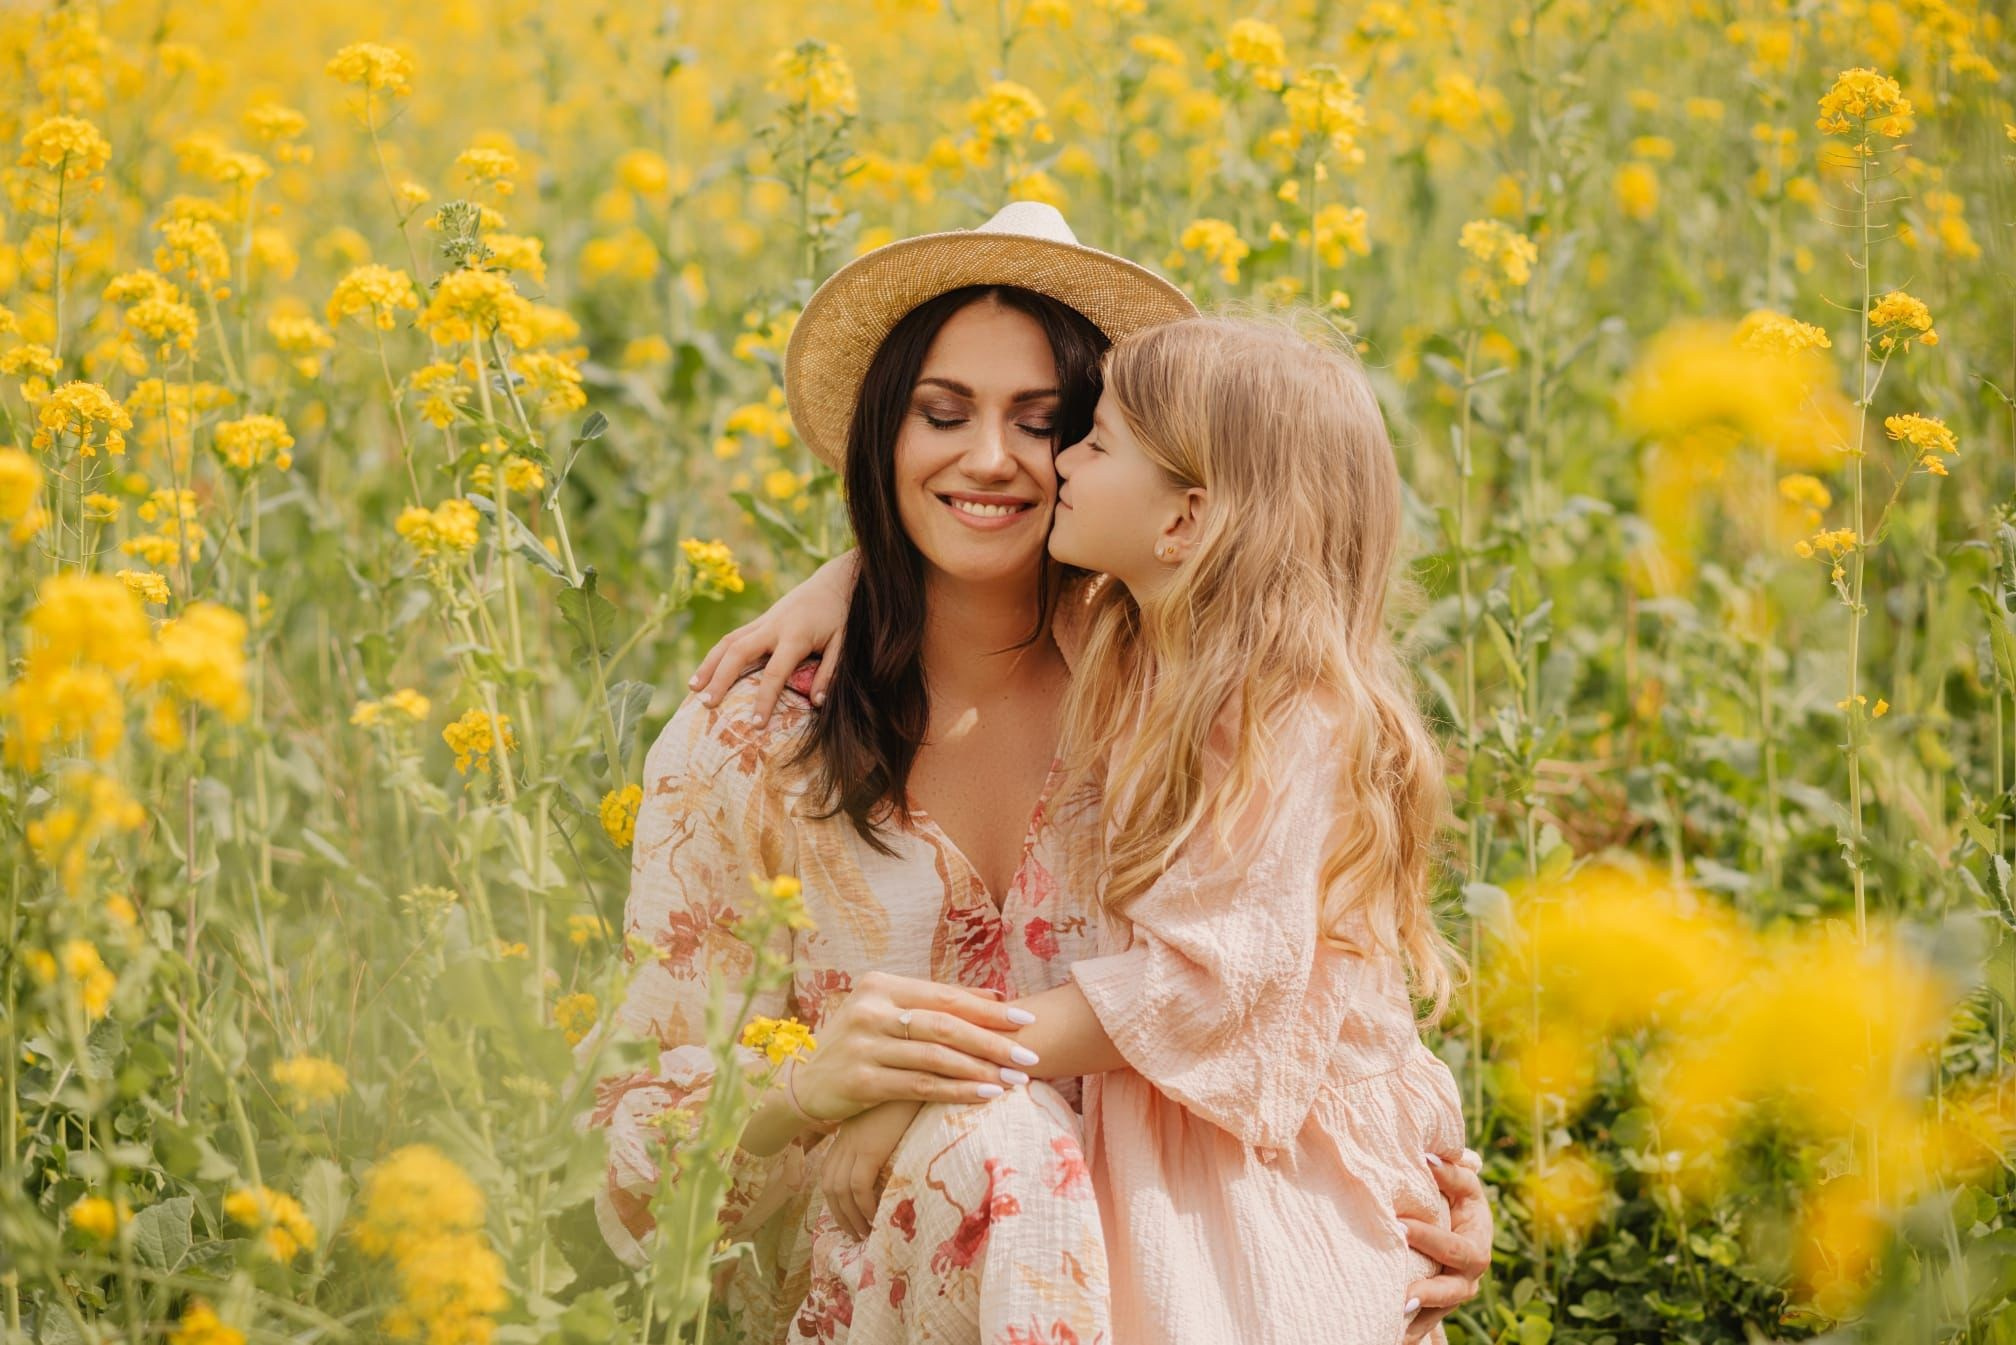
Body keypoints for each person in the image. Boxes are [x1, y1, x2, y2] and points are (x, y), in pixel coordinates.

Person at [586, 203, 1492, 1344]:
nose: (992, 459)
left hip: (1202, 1278)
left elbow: (1308, 994)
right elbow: (620, 1174)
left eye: (1049, 422)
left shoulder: (1195, 699)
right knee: (991, 1140)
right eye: (942, 413)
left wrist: (1419, 1176)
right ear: (884, 437)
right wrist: (809, 1090)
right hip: (890, 1295)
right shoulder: (749, 742)